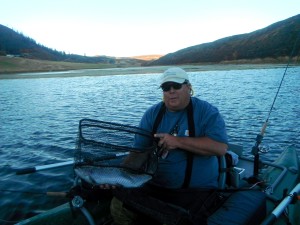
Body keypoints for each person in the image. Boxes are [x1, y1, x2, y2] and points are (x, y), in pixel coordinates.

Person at [110, 67, 228, 225]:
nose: (171, 91)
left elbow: (220, 148)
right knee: (118, 207)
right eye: (166, 87)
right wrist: (118, 177)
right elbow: (138, 153)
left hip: (196, 192)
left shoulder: (206, 112)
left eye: (176, 86)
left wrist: (178, 141)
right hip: (154, 187)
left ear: (188, 87)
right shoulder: (152, 114)